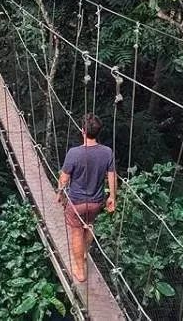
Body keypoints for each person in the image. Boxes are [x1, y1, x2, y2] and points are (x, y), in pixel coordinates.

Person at [56, 113, 116, 283]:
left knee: (76, 231)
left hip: (76, 203)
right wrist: (112, 197)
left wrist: (60, 192)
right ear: (98, 132)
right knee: (88, 225)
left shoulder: (74, 153)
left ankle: (80, 271)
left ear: (82, 130)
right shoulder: (107, 152)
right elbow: (112, 175)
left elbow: (65, 178)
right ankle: (83, 253)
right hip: (96, 202)